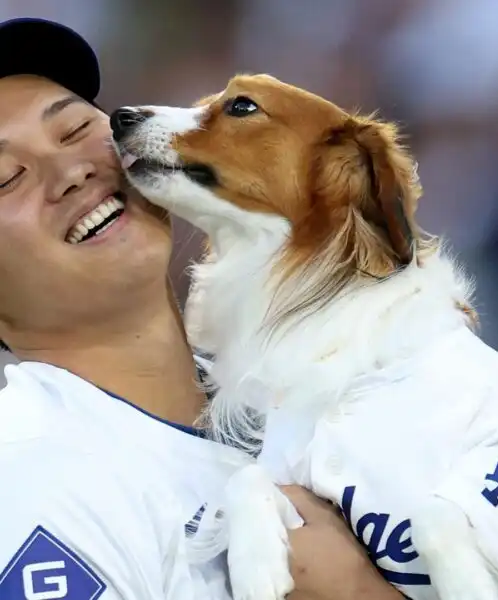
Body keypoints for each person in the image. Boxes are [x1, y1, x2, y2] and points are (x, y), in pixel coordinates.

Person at [0, 17, 404, 600]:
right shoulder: (33, 488)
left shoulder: (315, 380)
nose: (72, 171)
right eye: (6, 177)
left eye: (73, 130)